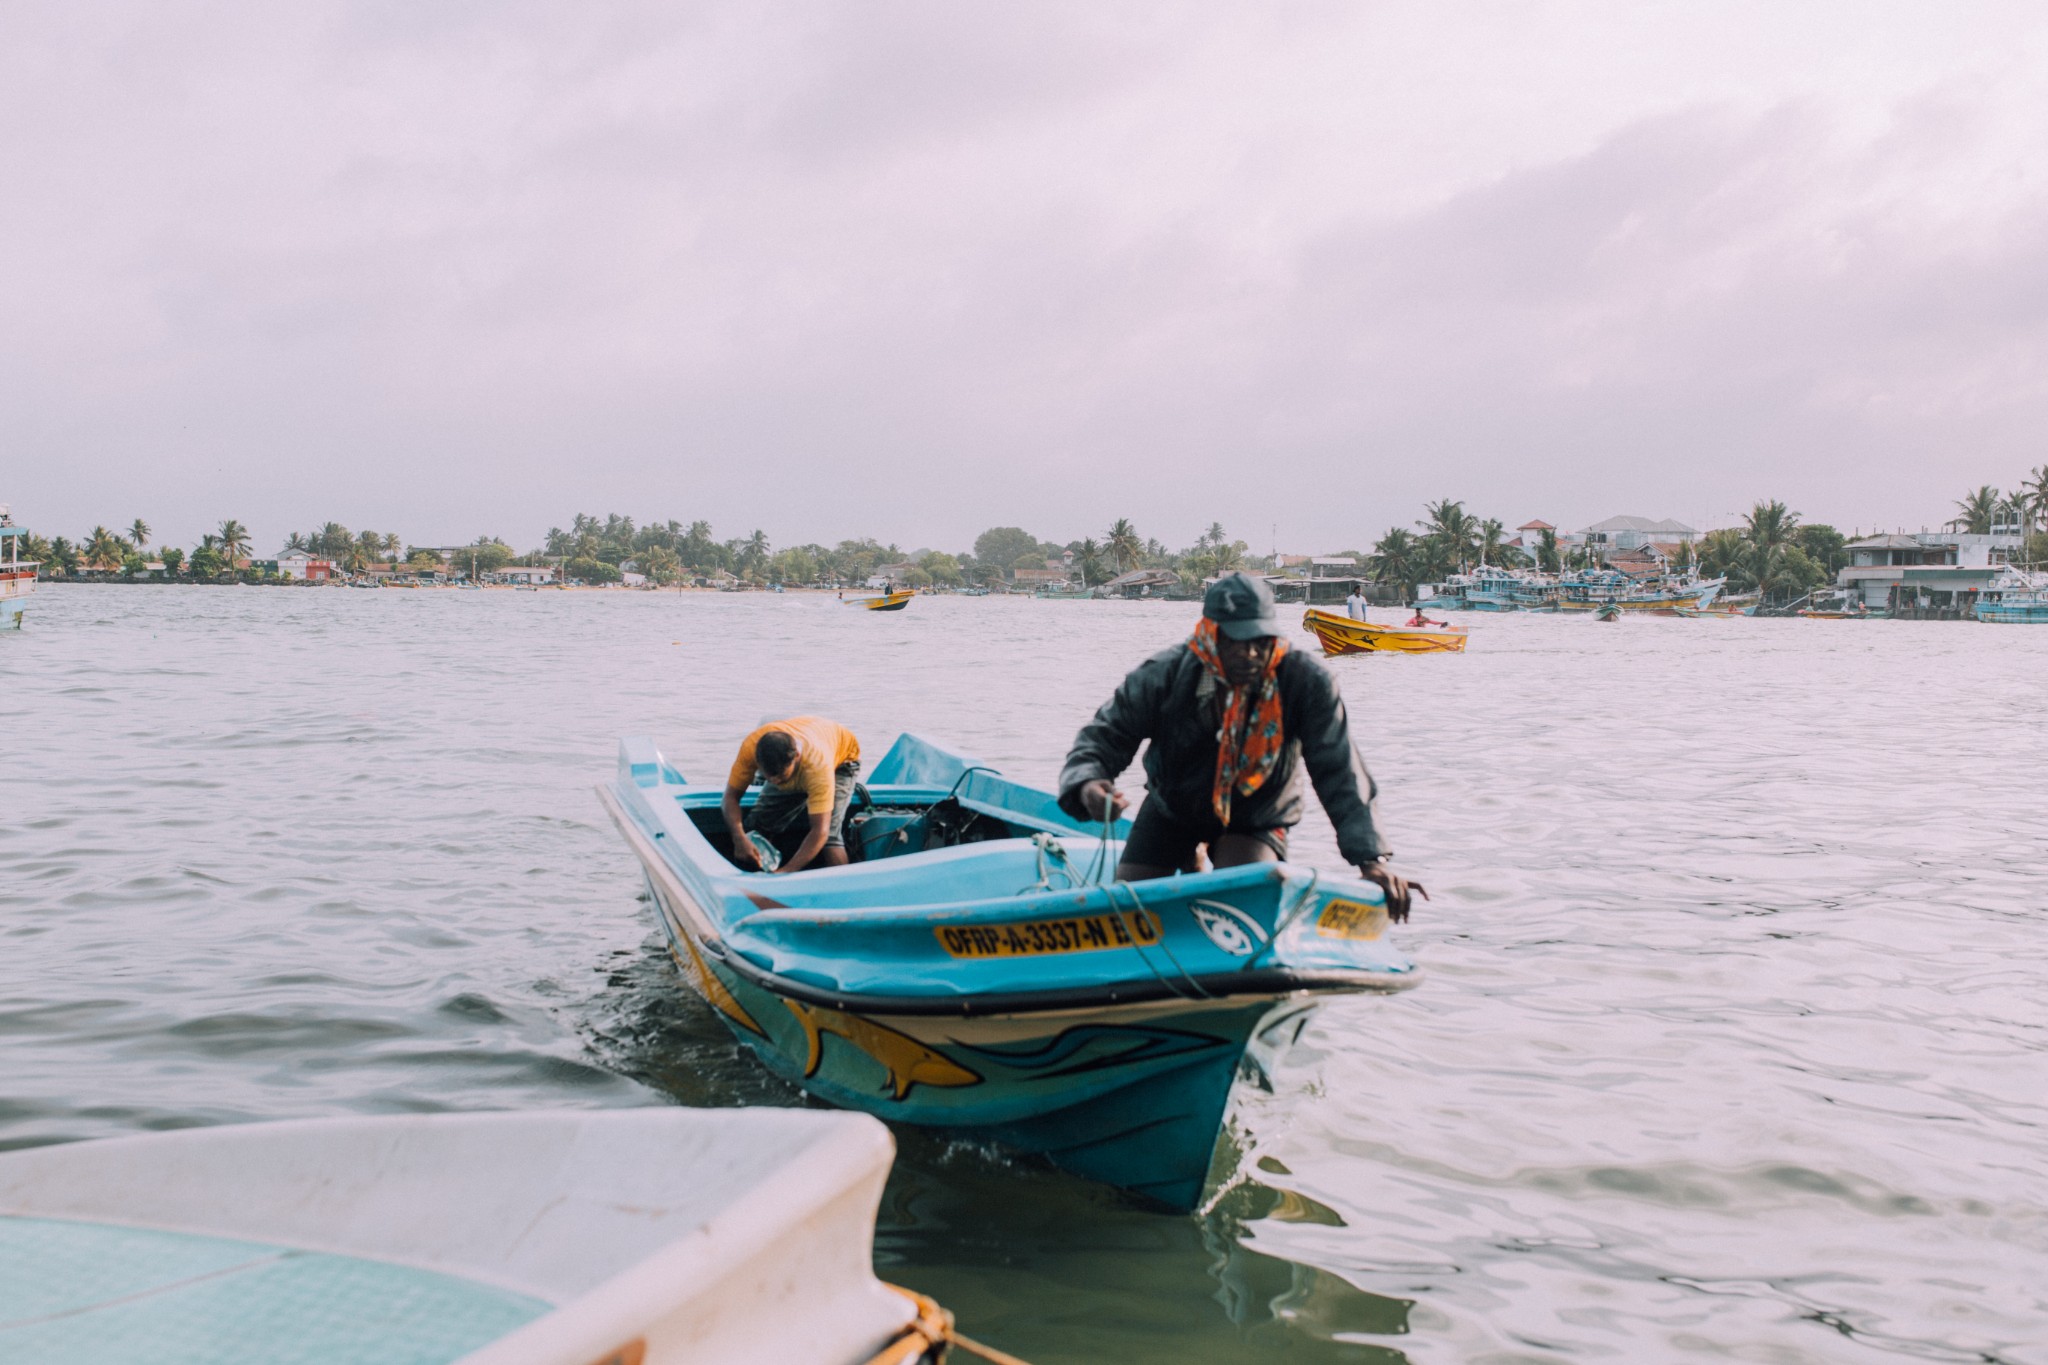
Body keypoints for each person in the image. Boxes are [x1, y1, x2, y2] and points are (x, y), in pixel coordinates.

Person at [1058, 572, 1427, 919]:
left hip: (1258, 813)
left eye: (1258, 641)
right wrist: (1089, 785)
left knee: (1239, 905)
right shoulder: (1163, 675)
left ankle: (1204, 862)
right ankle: (1192, 857)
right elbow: (1104, 736)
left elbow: (1339, 769)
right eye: (1233, 641)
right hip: (1174, 805)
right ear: (1208, 634)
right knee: (1130, 910)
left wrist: (1371, 860)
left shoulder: (1306, 681)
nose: (1247, 654)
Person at [722, 716, 861, 873]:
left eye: (781, 777)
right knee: (758, 824)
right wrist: (739, 838)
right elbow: (730, 798)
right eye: (769, 778)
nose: (775, 782)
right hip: (811, 739)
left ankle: (840, 889)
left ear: (796, 757)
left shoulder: (817, 768)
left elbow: (820, 831)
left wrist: (786, 872)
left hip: (842, 761)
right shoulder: (750, 748)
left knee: (830, 835)